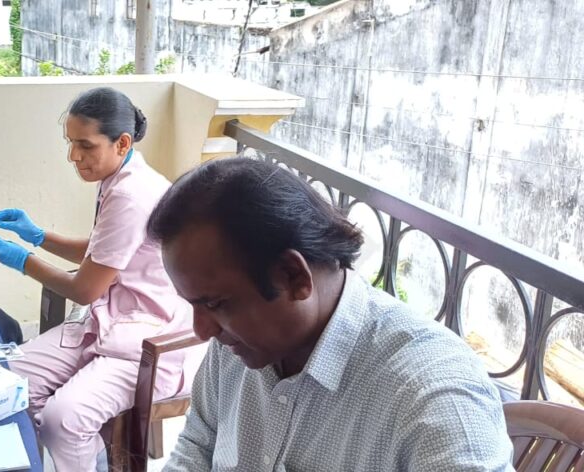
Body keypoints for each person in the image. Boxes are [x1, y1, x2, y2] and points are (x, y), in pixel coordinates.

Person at [148, 158, 514, 471]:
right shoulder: (236, 345)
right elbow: (198, 443)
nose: (202, 330)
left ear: (294, 276)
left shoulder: (431, 398)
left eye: (214, 304)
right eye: (193, 305)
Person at [0, 87, 200, 471]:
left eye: (85, 145)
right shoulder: (118, 175)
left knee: (64, 421)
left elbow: (86, 287)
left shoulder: (132, 192)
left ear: (122, 142)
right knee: (9, 383)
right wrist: (39, 236)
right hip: (109, 320)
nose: (73, 156)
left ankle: (82, 453)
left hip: (148, 339)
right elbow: (102, 255)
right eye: (70, 143)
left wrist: (23, 260)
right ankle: (87, 458)